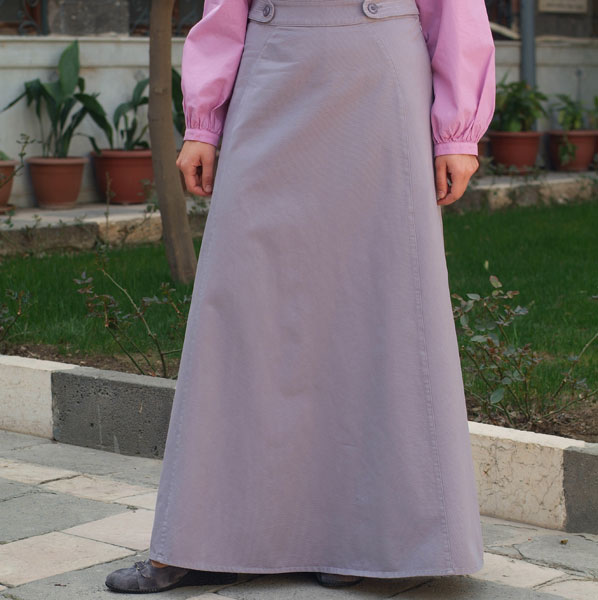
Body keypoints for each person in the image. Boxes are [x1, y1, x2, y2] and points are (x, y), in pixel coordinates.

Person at [105, 0, 495, 593]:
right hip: (272, 66)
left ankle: (366, 538)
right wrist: (204, 120)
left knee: (373, 305)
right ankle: (201, 538)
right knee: (240, 304)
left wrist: (458, 131)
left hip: (378, 75)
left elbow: (456, 10)